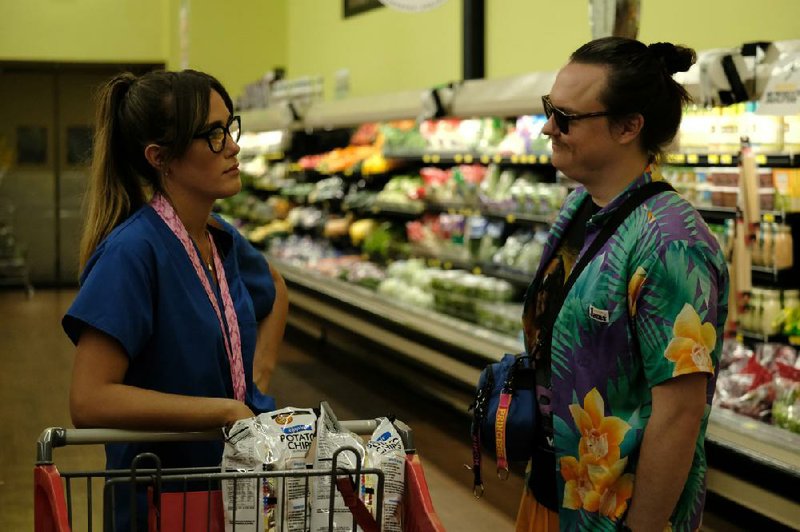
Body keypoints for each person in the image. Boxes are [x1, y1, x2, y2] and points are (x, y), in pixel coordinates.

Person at [518, 37, 729, 531]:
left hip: (618, 518)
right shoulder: (579, 208)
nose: (548, 126)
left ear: (629, 126)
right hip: (559, 494)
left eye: (565, 116)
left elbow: (679, 415)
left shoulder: (672, 244)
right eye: (549, 108)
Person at [62, 69, 289, 529]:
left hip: (229, 491)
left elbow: (276, 291)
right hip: (157, 499)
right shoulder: (133, 252)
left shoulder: (219, 238)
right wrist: (224, 410)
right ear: (160, 157)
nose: (232, 146)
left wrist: (254, 383)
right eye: (212, 134)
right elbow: (88, 400)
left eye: (230, 127)